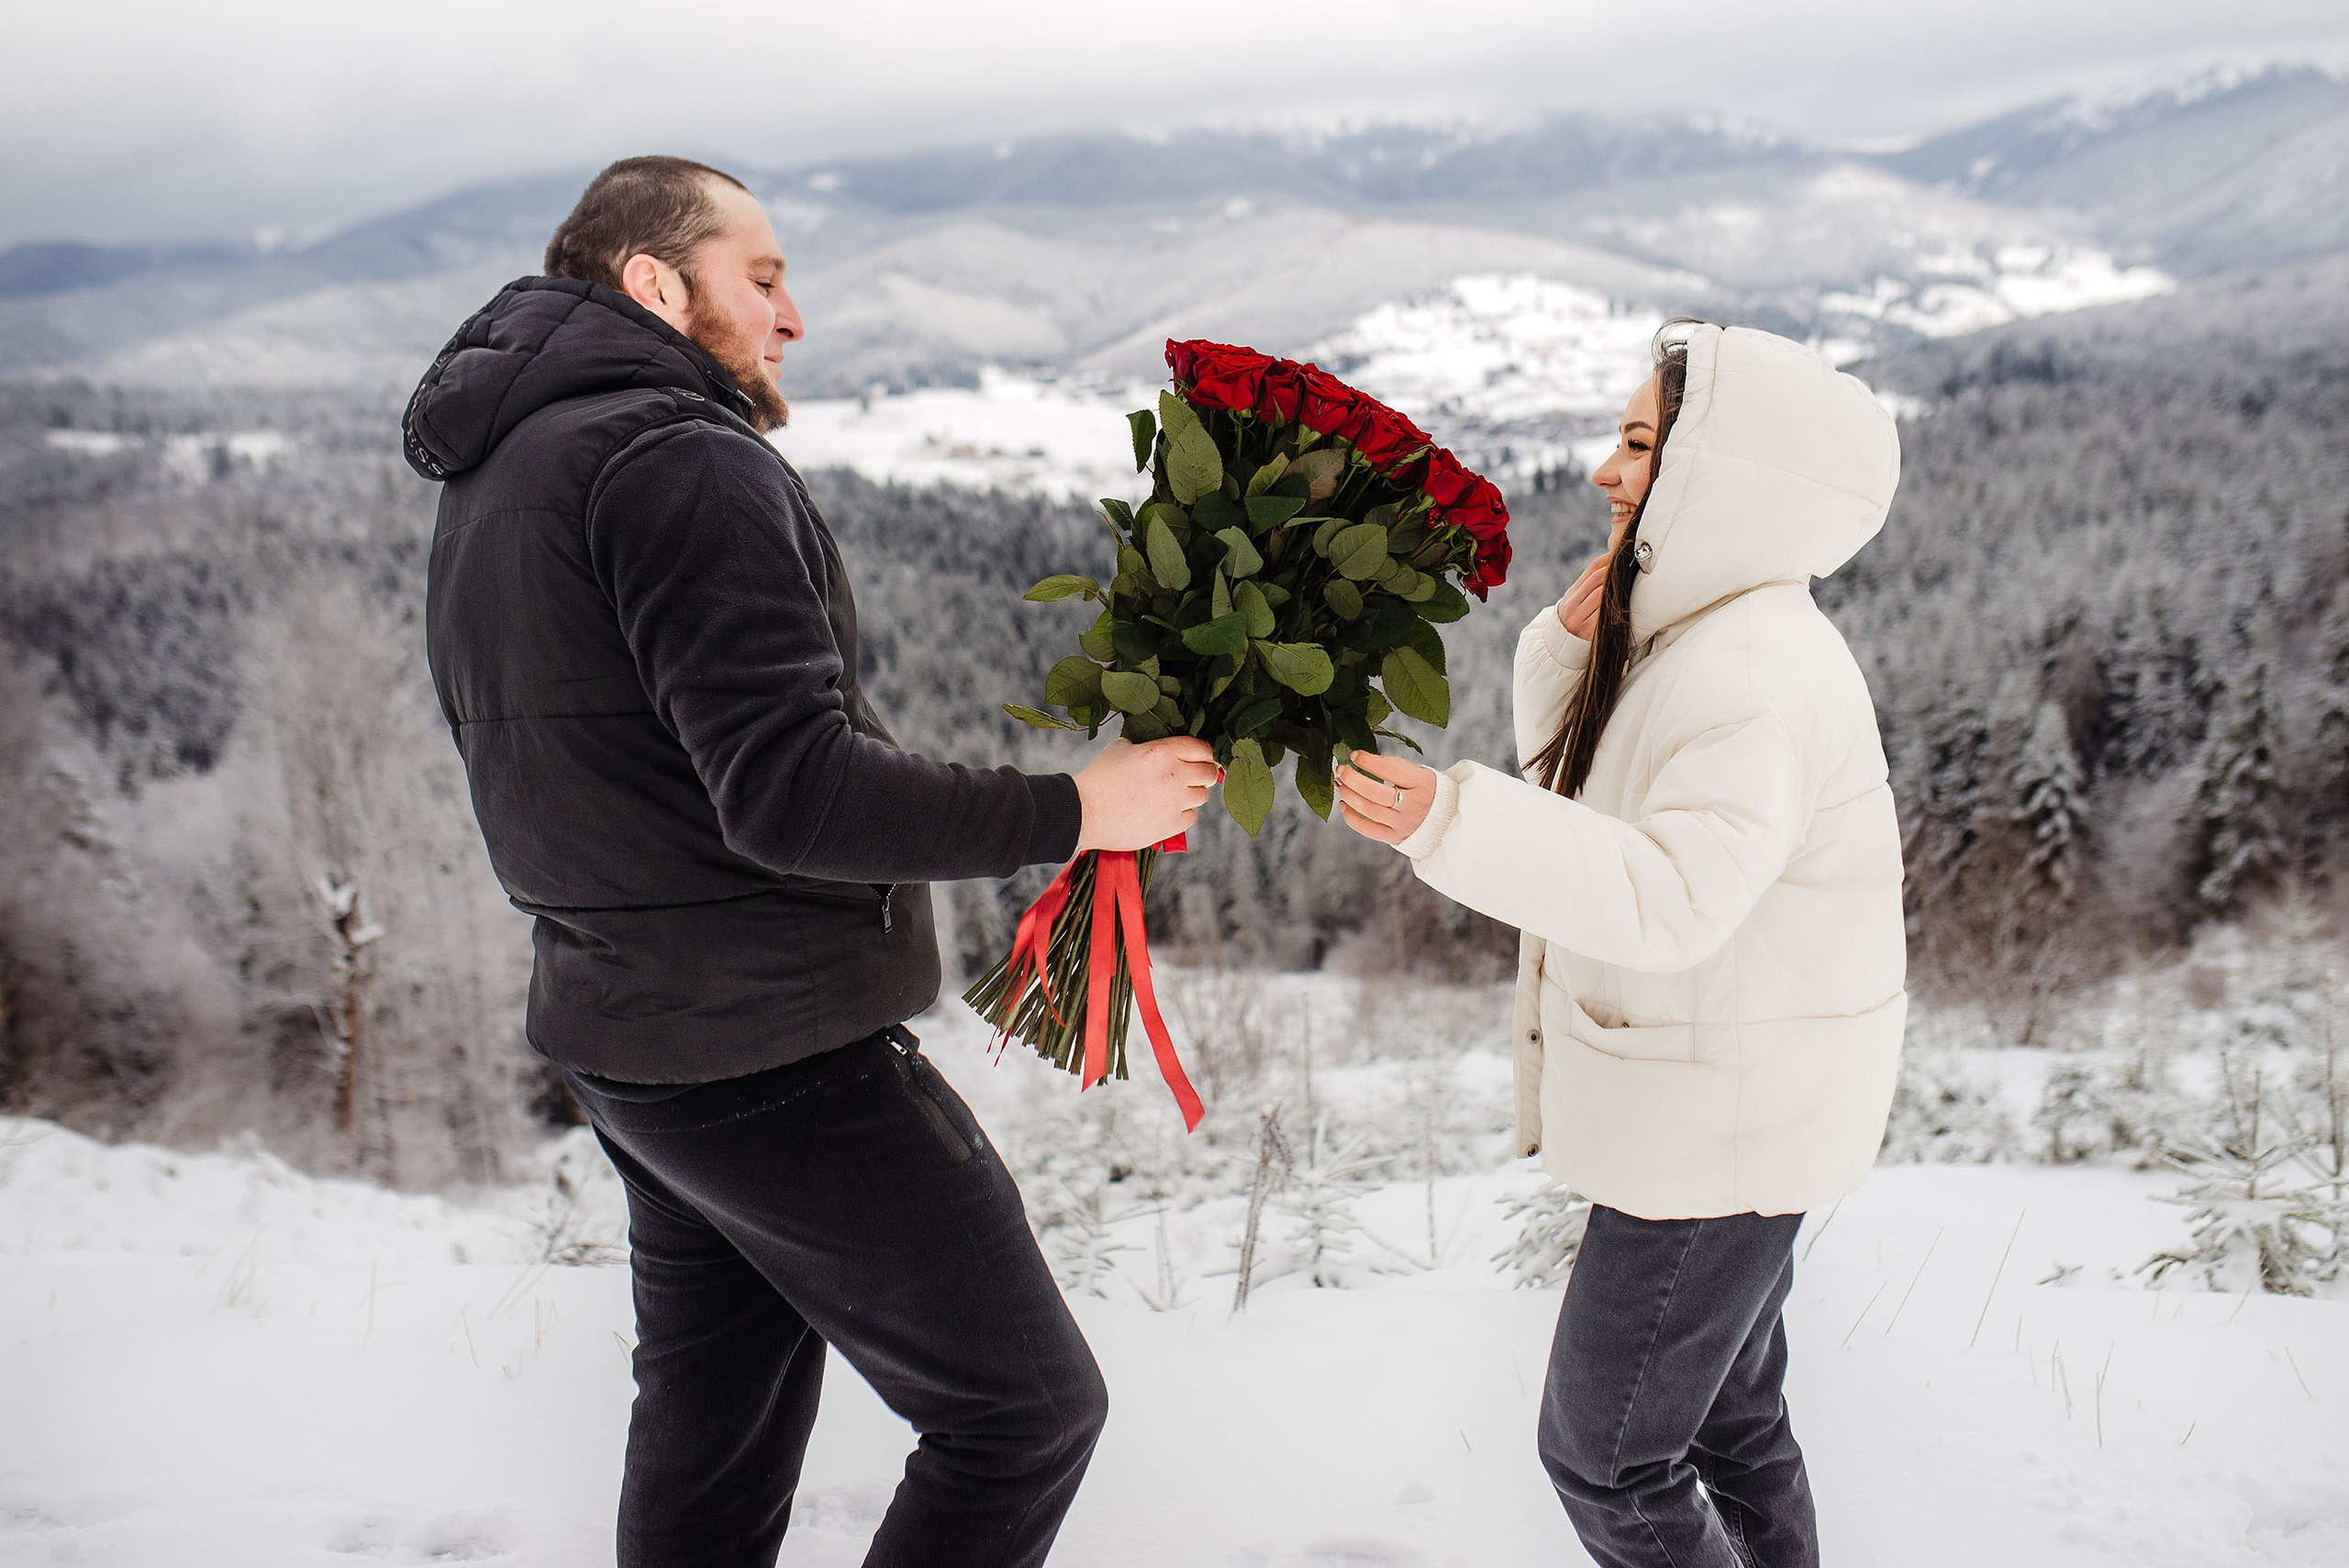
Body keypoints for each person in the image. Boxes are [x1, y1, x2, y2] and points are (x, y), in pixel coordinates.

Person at [402, 155, 1219, 1568]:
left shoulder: (505, 466)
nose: (793, 316)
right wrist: (1076, 808)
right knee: (1023, 1413)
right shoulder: (678, 460)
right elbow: (794, 795)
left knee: (711, 1441)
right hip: (768, 1045)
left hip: (631, 1032)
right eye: (763, 278)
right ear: (655, 284)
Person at [1335, 320, 1906, 1568]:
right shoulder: (1716, 633)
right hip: (1740, 1108)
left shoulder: (1746, 672)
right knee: (1732, 1423)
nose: (1607, 469)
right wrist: (1568, 650)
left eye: (1641, 443)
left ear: (1725, 472)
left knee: (1607, 1457)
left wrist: (1449, 819)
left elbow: (1669, 892)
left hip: (1718, 1132)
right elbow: (1614, 800)